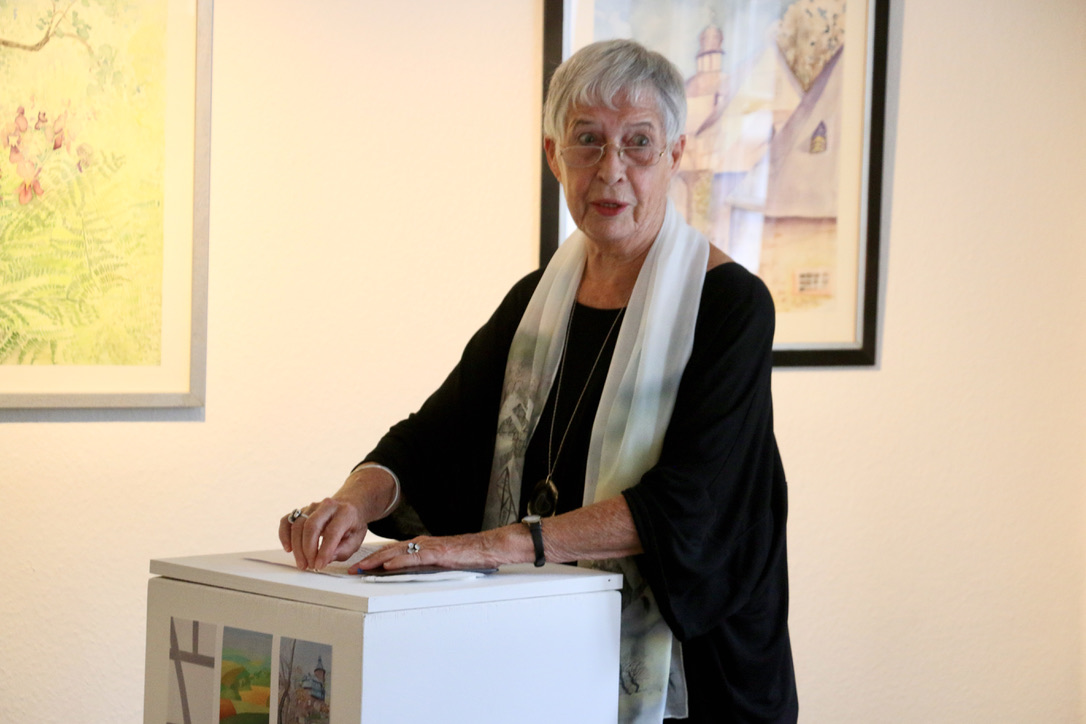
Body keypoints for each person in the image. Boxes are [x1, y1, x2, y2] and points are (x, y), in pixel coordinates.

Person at [279, 38, 798, 723]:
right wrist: (351, 500)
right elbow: (431, 439)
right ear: (554, 155)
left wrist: (490, 548)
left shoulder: (730, 306)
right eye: (587, 140)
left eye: (638, 143)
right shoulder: (536, 303)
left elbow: (687, 506)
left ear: (675, 156)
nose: (611, 169)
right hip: (548, 660)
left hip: (700, 681)